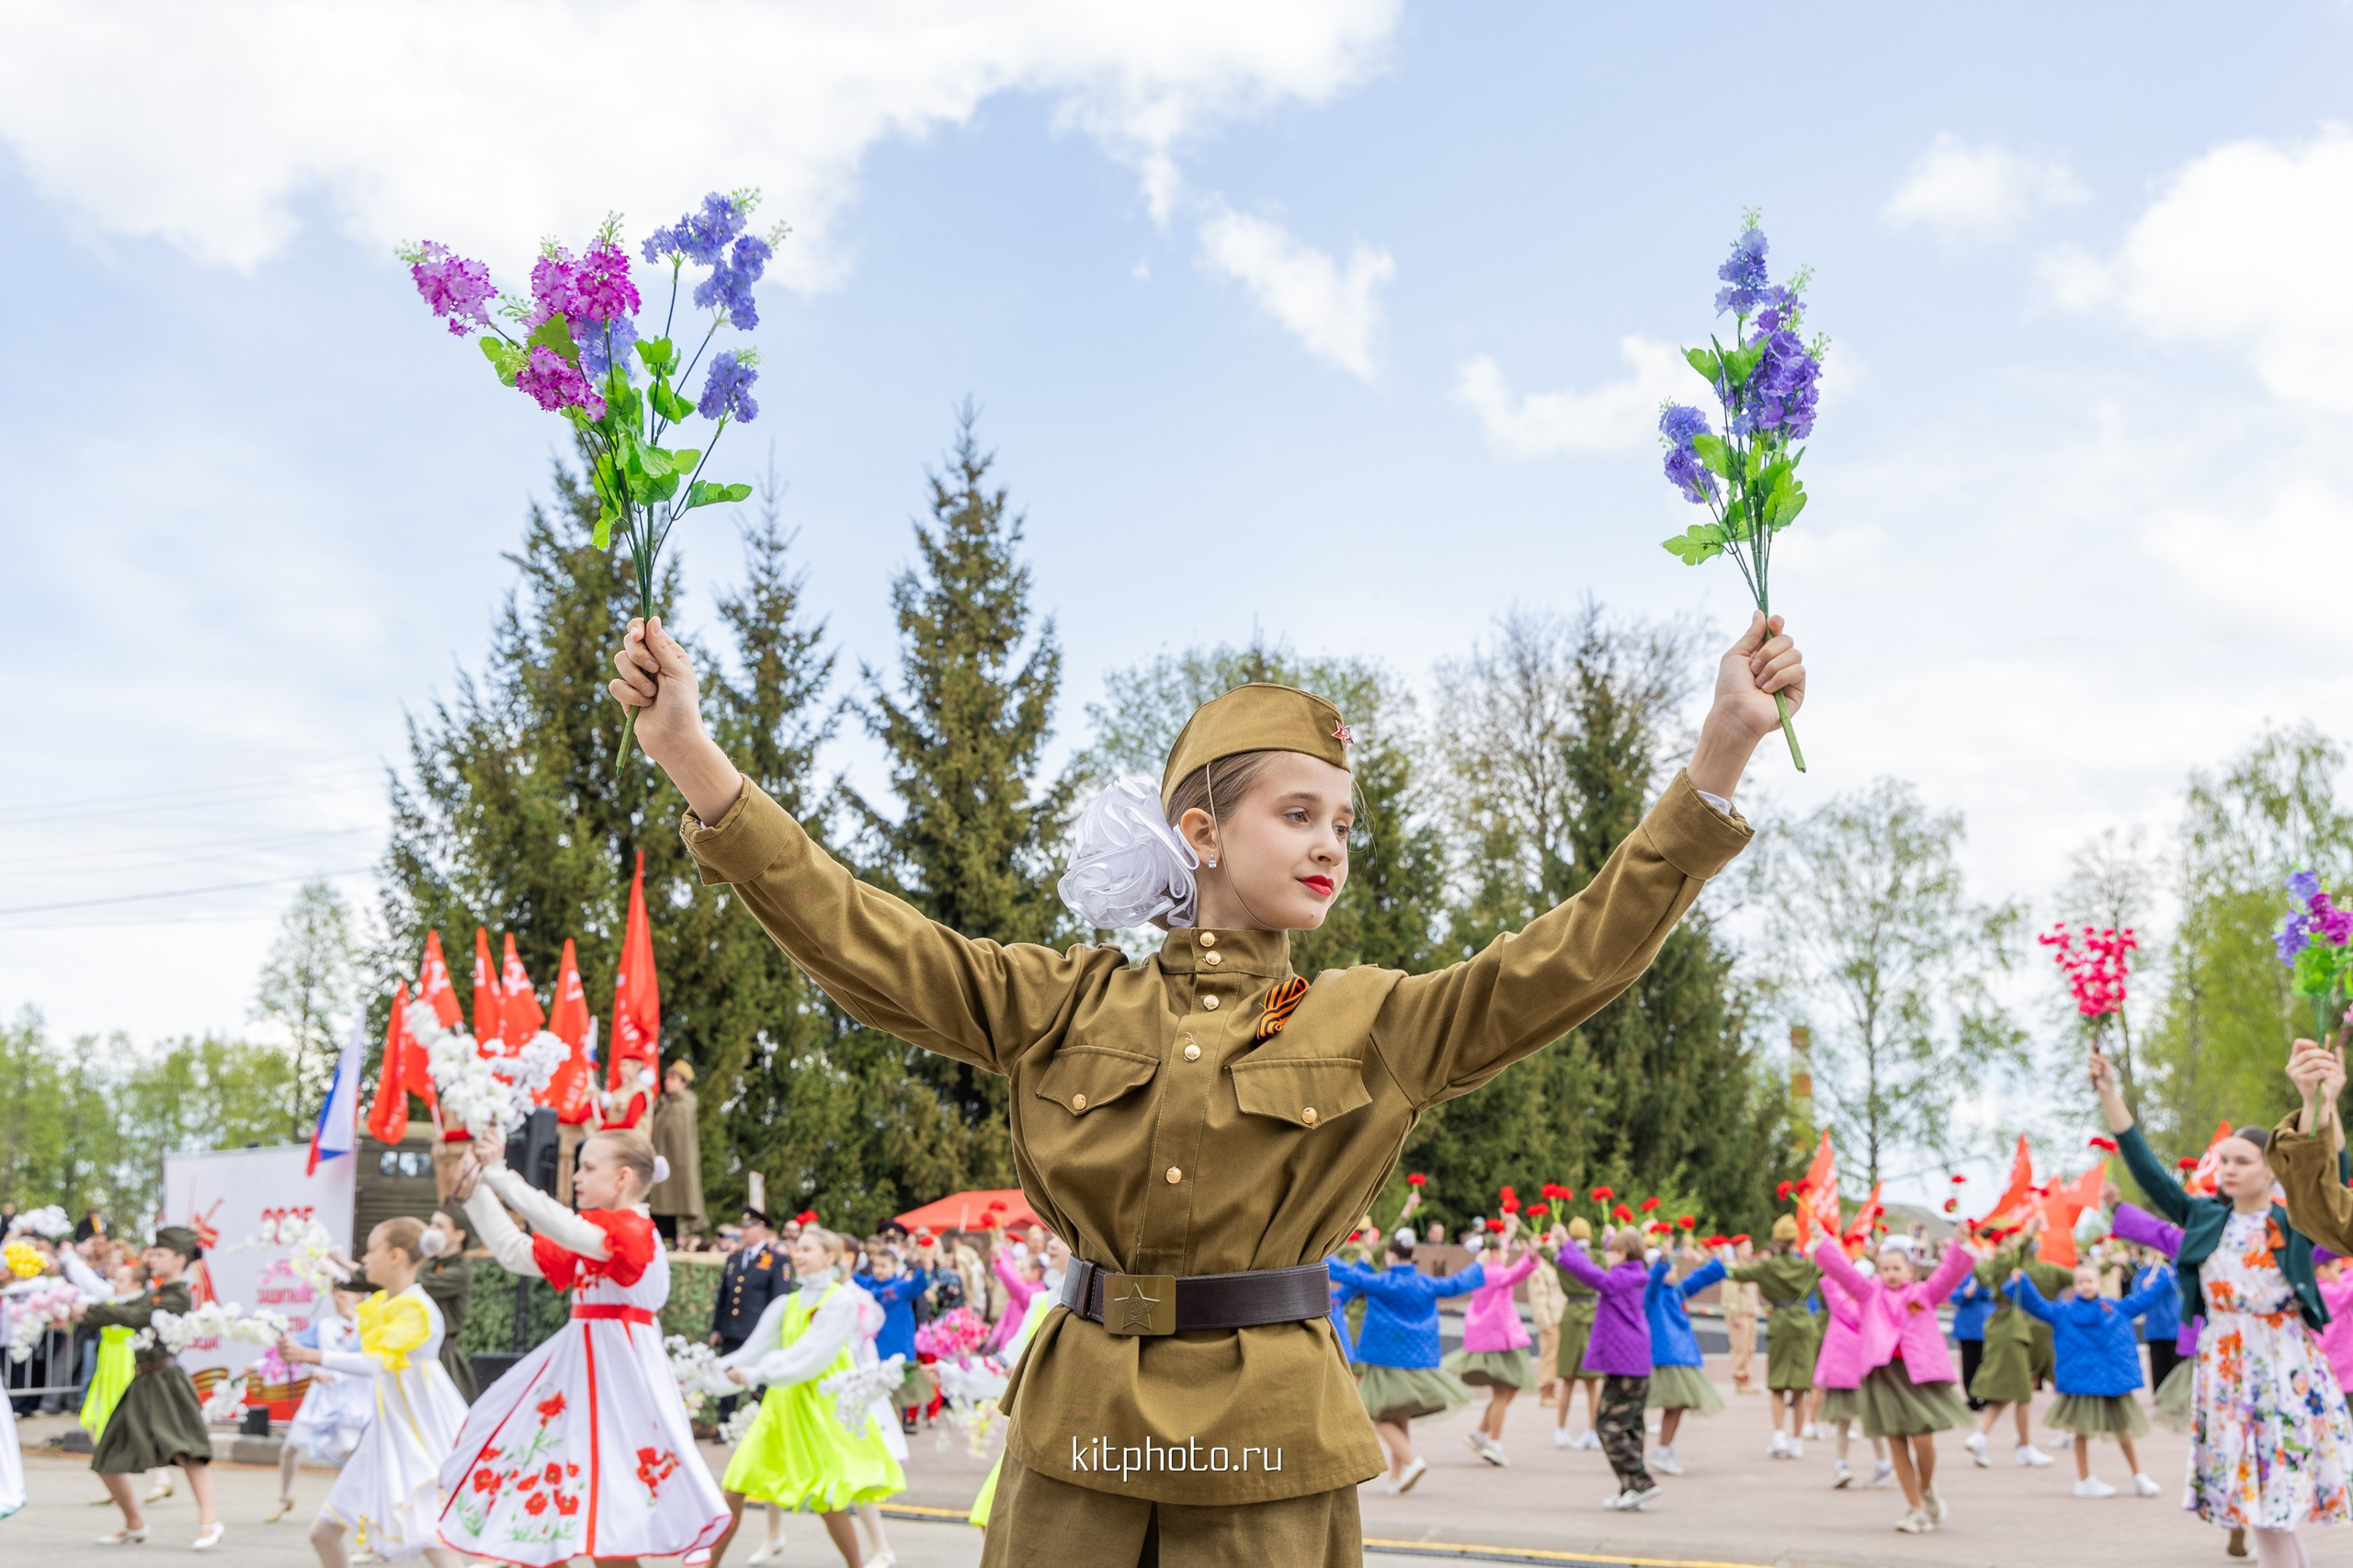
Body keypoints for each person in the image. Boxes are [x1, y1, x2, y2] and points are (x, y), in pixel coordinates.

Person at [613, 605, 1799, 1563]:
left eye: (1344, 820)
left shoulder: (1373, 1019)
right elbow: (863, 936)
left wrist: (1722, 752)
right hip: (1071, 1447)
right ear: (1203, 831)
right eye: (1298, 813)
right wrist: (688, 751)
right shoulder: (1061, 1000)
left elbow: (1574, 953)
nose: (1331, 842)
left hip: (1265, 1457)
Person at [2103, 1045, 2350, 1563]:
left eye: (2244, 1161)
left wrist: (2324, 1103)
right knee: (2252, 1501)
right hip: (2224, 1366)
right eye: (2225, 1161)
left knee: (2274, 1497)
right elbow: (2149, 1172)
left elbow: (2335, 1177)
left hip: (2282, 1365)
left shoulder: (2295, 1222)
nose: (2229, 1169)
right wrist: (2110, 1095)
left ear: (2273, 1170)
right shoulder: (2204, 1219)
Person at [440, 1129, 730, 1563]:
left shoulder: (633, 1230)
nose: (577, 1177)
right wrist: (476, 1190)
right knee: (554, 1508)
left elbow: (566, 1229)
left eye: (589, 1167)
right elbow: (518, 1253)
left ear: (623, 1178)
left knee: (612, 1518)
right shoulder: (596, 1232)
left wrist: (500, 1174)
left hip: (620, 1380)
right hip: (580, 1371)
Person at [709, 1225, 906, 1567]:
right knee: (735, 1486)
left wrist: (756, 1374)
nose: (797, 1254)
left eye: (807, 1249)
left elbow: (810, 1357)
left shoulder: (842, 1301)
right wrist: (705, 1376)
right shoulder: (788, 1303)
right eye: (796, 1249)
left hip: (820, 1408)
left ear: (829, 1257)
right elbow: (750, 1352)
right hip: (780, 1406)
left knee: (826, 1499)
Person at [281, 1221, 468, 1566]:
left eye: (371, 1250)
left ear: (396, 1256)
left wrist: (311, 1356)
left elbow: (377, 1363)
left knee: (431, 1539)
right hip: (384, 1435)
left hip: (417, 1437)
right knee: (323, 1534)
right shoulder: (386, 1305)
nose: (364, 1259)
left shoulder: (418, 1309)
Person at [67, 1226, 221, 1550]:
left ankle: (209, 1521)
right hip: (142, 1379)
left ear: (180, 1259)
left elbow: (136, 1314)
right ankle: (134, 1523)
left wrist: (91, 1312)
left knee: (188, 1450)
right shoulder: (156, 1292)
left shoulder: (178, 1295)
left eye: (161, 1254)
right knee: (107, 1453)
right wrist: (76, 1311)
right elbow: (127, 1306)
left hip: (167, 1381)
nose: (153, 1258)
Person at [1812, 1233, 1976, 1533]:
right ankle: (1914, 1508)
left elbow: (1948, 1274)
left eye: (1896, 1268)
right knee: (1896, 1442)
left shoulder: (1923, 1294)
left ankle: (1926, 1488)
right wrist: (1821, 1244)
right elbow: (1844, 1274)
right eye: (1885, 1268)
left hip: (1918, 1375)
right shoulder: (1868, 1293)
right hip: (1883, 1376)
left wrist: (1959, 1245)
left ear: (1909, 1270)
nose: (1890, 1274)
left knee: (1924, 1440)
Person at [1327, 1230, 1484, 1494]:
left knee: (1375, 1416)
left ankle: (1412, 1461)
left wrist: (1321, 1253)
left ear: (1390, 1255)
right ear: (1412, 1256)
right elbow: (1457, 1283)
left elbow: (1348, 1275)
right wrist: (1482, 1263)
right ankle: (1397, 1477)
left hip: (1383, 1358)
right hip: (1418, 1359)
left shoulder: (1382, 1282)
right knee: (1399, 1417)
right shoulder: (1425, 1283)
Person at [2006, 1259, 2168, 1499]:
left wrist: (2160, 1279)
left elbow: (2143, 1300)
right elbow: (2038, 1306)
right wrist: (2022, 1284)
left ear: (2099, 1282)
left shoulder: (2113, 1308)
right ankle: (2084, 1478)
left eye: (2090, 1281)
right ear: (2073, 1285)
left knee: (2123, 1429)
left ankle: (2138, 1475)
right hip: (2087, 1383)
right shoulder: (2066, 1311)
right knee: (2080, 1432)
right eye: (2080, 1282)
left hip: (2110, 1383)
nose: (2085, 1286)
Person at [1552, 1225, 1658, 1510]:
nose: (1606, 1254)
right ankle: (1630, 1490)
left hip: (1623, 1364)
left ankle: (1640, 1481)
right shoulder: (1635, 1275)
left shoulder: (1619, 1278)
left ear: (1622, 1254)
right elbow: (1604, 1267)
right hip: (1636, 1362)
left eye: (1611, 1250)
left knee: (1608, 1426)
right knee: (1632, 1427)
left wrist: (1566, 1245)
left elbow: (1592, 1275)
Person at [1961, 1217, 2067, 1470]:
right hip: (2012, 1324)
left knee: (2018, 1389)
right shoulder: (2006, 1260)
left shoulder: (1989, 1262)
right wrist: (2029, 1233)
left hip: (2002, 1321)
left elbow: (1982, 1277)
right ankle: (2015, 1445)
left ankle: (1990, 1439)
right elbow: (2016, 1254)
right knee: (2020, 1390)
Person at [269, 1281, 372, 1524]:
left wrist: (335, 1374)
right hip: (322, 1397)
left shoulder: (368, 1326)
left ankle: (358, 1508)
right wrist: (260, 1364)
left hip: (352, 1397)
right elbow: (293, 1348)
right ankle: (285, 1497)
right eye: (336, 1293)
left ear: (359, 1295)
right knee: (290, 1448)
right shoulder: (324, 1326)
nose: (339, 1298)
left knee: (350, 1451)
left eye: (345, 1293)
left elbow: (368, 1361)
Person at [1444, 1217, 1540, 1466]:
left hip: (1489, 1337)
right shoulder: (1496, 1272)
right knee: (1503, 1392)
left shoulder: (1480, 1271)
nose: (1507, 1253)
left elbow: (1504, 1255)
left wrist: (1509, 1231)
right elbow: (1517, 1272)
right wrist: (1531, 1254)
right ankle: (1494, 1443)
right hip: (1500, 1337)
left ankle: (1480, 1434)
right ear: (1494, 1252)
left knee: (1507, 1390)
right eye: (1504, 1250)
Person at [1723, 1216, 1820, 1460]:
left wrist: (1715, 1263)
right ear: (1795, 1240)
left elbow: (1736, 1273)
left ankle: (1778, 1435)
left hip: (1780, 1322)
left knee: (1778, 1383)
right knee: (1800, 1386)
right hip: (1803, 1323)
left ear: (1776, 1241)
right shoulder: (1807, 1267)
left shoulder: (1767, 1267)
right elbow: (1828, 1271)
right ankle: (1797, 1440)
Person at [1643, 1244, 1726, 1475]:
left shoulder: (1674, 1292)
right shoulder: (1652, 1294)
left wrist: (1714, 1261)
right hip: (1666, 1359)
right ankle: (1659, 1450)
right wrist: (1663, 1261)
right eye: (1669, 1268)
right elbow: (1654, 1280)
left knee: (1677, 1406)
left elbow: (1700, 1279)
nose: (1673, 1272)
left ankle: (1664, 1449)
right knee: (1672, 1405)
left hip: (1681, 1358)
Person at [1808, 1256, 1887, 1490]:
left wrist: (1829, 1259)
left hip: (1843, 1376)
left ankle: (1841, 1465)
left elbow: (1828, 1280)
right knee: (1871, 1423)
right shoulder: (1873, 1306)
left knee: (1844, 1423)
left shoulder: (1841, 1304)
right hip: (1864, 1374)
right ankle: (1882, 1463)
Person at [854, 1242, 931, 1433]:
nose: (878, 1270)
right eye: (876, 1265)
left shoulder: (902, 1287)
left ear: (894, 1267)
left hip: (897, 1349)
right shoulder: (866, 1284)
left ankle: (896, 1437)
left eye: (883, 1266)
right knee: (875, 1400)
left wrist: (927, 1265)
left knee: (896, 1400)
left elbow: (920, 1283)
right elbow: (849, 1278)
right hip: (873, 1349)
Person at [1550, 1217, 1606, 1449]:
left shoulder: (1564, 1258)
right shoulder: (1597, 1256)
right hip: (1593, 1314)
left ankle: (1561, 1429)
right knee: (1592, 1381)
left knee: (1568, 1378)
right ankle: (1593, 1430)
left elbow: (1542, 1250)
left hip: (1572, 1314)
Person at [416, 1211, 476, 1404]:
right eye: (431, 1224)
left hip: (442, 1357)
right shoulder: (430, 1264)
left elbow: (419, 1283)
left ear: (459, 1235)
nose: (432, 1230)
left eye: (440, 1226)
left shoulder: (460, 1270)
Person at [649, 1062, 707, 1244]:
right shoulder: (664, 1104)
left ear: (684, 1083)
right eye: (667, 1077)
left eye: (673, 1078)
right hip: (659, 1166)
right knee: (657, 1212)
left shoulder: (684, 1106)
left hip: (676, 1170)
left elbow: (680, 1142)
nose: (667, 1082)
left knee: (672, 1212)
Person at [1949, 1267, 1995, 1413]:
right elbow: (1952, 1296)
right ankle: (1972, 1397)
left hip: (1984, 1327)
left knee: (1985, 1364)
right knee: (1969, 1364)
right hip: (1966, 1327)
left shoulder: (1988, 1276)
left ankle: (1985, 1395)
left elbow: (1993, 1294)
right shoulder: (1961, 1275)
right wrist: (1964, 1293)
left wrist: (1982, 1288)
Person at [1719, 1238, 1760, 1397]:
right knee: (1740, 1347)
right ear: (1737, 1249)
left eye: (1750, 1247)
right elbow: (1730, 1291)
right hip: (1739, 1313)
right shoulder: (1732, 1267)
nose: (1749, 1251)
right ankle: (1739, 1377)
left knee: (1750, 1347)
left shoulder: (1749, 1267)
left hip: (1750, 1312)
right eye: (1746, 1247)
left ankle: (1746, 1377)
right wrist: (1733, 1312)